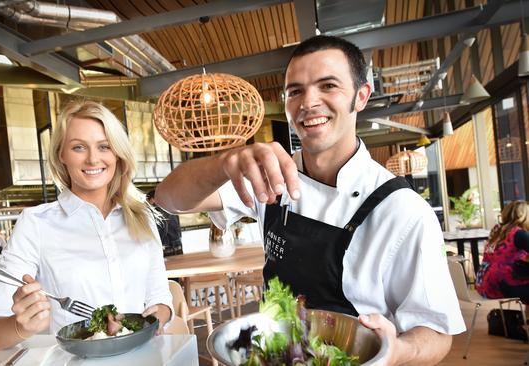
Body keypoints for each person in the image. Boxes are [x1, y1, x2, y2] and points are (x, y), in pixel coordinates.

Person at [156, 35, 465, 365]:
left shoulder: (403, 209)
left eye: (328, 85)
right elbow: (169, 198)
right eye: (295, 91)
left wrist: (396, 350)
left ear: (361, 97)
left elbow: (436, 332)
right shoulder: (268, 176)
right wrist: (222, 163)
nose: (308, 102)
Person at [0, 100, 173, 352]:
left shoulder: (141, 216)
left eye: (104, 146)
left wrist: (160, 316)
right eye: (79, 147)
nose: (93, 159)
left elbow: (160, 297)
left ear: (117, 154)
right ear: (61, 154)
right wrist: (20, 326)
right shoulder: (35, 223)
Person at [476, 200, 529, 318]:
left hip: (483, 284)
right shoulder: (519, 233)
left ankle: (526, 324)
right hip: (501, 285)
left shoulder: (497, 230)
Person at [147, 189, 183, 256]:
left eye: (148, 201)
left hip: (166, 245)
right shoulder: (171, 207)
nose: (148, 203)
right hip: (177, 243)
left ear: (152, 199)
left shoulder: (157, 211)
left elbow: (162, 229)